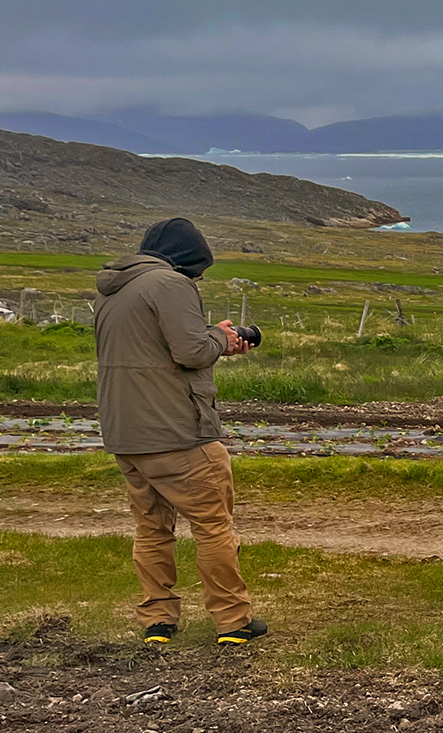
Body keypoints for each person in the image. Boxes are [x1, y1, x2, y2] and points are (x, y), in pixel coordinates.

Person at [94, 218, 269, 646]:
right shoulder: (169, 284)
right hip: (176, 432)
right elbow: (191, 351)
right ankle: (233, 620)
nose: (198, 279)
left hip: (126, 433)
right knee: (212, 525)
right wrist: (221, 339)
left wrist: (211, 336)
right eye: (199, 271)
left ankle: (158, 620)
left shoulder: (112, 292)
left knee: (152, 528)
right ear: (188, 261)